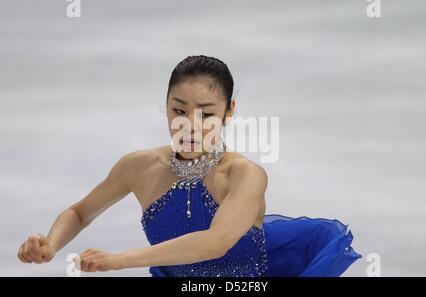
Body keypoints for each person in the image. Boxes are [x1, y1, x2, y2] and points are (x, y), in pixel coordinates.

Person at [17, 55, 362, 276]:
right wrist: (50, 244)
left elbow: (216, 242)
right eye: (179, 110)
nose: (190, 124)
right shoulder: (140, 167)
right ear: (165, 106)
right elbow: (80, 213)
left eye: (207, 113)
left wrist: (120, 260)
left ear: (229, 112)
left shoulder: (243, 176)